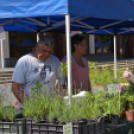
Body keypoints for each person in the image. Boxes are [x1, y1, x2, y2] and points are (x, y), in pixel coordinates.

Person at [11, 36, 61, 107]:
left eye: (49, 52)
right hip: (28, 108)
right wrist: (28, 107)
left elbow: (63, 82)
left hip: (50, 107)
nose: (46, 54)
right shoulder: (24, 61)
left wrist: (58, 100)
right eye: (44, 51)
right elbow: (15, 87)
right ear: (36, 47)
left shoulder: (55, 60)